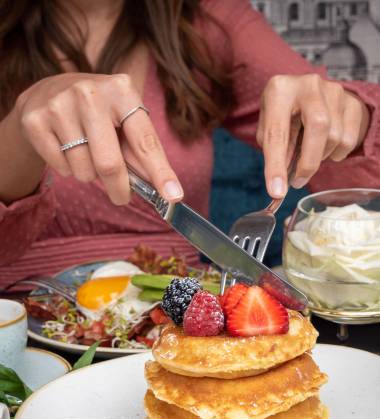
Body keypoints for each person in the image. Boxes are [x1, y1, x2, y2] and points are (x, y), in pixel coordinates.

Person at [0, 0, 379, 290]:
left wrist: (352, 116)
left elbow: (339, 139)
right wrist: (20, 130)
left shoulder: (206, 19)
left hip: (178, 324)